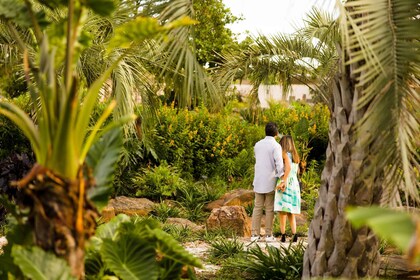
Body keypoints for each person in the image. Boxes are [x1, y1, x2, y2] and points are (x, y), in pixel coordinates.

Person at [250, 122, 284, 242]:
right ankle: (268, 235)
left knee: (257, 207)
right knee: (269, 208)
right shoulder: (276, 146)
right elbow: (279, 163)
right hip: (270, 181)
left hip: (258, 180)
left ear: (265, 132)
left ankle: (254, 235)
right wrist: (283, 177)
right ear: (276, 133)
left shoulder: (257, 145)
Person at [274, 135, 301, 242]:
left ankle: (283, 235)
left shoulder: (284, 154)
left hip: (286, 182)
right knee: (291, 212)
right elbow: (296, 171)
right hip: (294, 184)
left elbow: (288, 168)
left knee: (282, 212)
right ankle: (294, 235)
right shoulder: (296, 156)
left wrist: (283, 181)